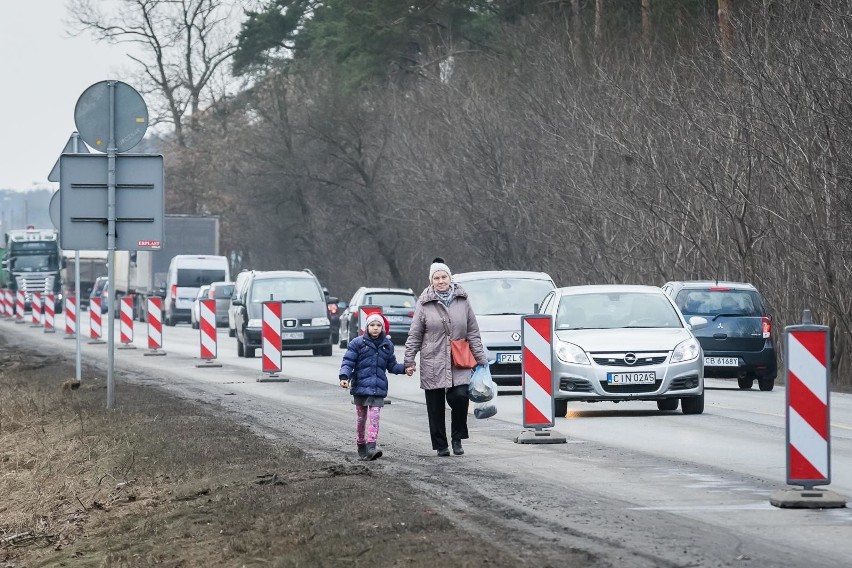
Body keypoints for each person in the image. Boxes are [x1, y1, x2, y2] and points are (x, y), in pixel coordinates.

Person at [404, 258, 488, 457]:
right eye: (437, 278)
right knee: (435, 406)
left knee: (459, 397)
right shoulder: (424, 303)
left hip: (459, 359)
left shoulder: (462, 300)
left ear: (450, 278)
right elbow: (415, 333)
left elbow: (473, 333)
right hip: (432, 359)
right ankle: (441, 445)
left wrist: (481, 360)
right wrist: (409, 360)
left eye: (444, 277)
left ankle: (457, 438)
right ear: (431, 280)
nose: (441, 281)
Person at [339, 312, 410, 461]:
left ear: (383, 328)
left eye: (378, 325)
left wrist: (404, 369)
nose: (375, 328)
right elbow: (348, 362)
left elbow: (392, 366)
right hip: (360, 387)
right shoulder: (357, 343)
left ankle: (372, 447)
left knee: (375, 417)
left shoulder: (387, 345)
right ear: (366, 327)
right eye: (372, 325)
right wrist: (344, 377)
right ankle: (361, 444)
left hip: (378, 389)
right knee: (361, 418)